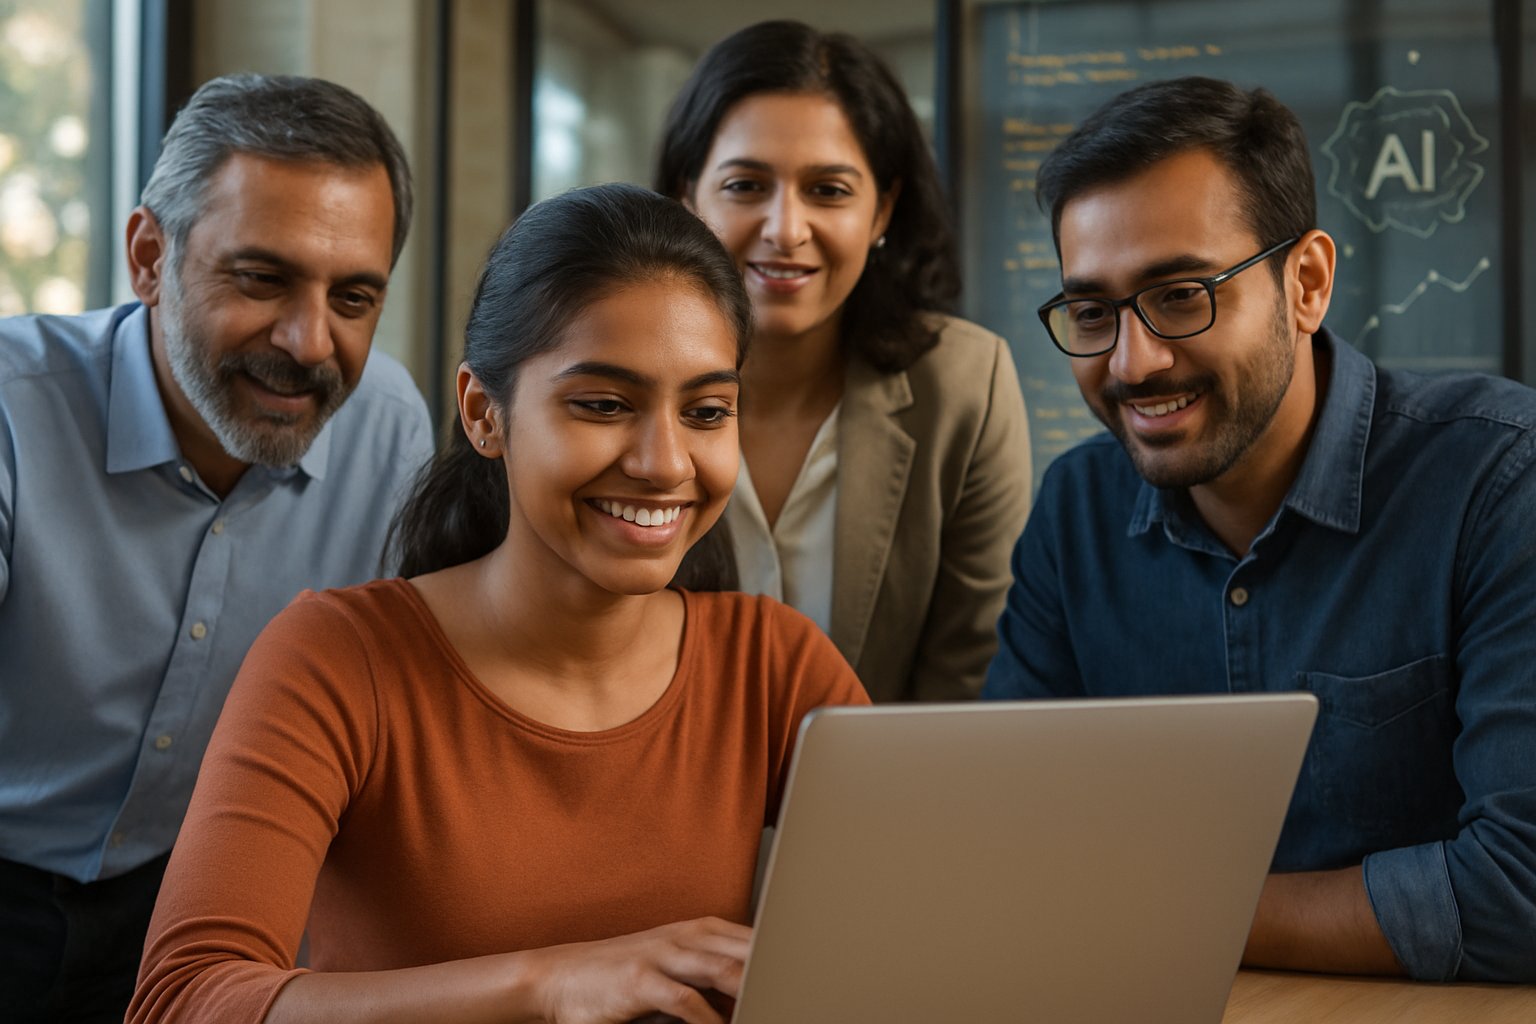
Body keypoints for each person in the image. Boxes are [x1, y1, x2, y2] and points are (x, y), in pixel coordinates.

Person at [128, 183, 869, 1024]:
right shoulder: (335, 661)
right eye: (603, 405)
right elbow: (185, 1000)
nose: (666, 463)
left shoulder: (774, 666)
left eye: (706, 411)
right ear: (485, 413)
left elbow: (926, 928)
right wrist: (548, 986)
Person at [983, 76, 1536, 983]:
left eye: (1181, 295)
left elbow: (1521, 890)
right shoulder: (1075, 511)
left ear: (1307, 282)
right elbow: (1008, 833)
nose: (1134, 361)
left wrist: (1164, 911)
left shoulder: (1497, 480)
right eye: (1092, 312)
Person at [0, 74, 433, 1022]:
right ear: (149, 257)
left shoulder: (391, 428)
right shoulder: (9, 413)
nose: (308, 341)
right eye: (262, 278)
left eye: (353, 297)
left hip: (208, 900)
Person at [655, 20, 1032, 701]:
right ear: (689, 195)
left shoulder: (965, 388)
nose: (785, 229)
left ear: (883, 209)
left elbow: (966, 685)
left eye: (828, 190)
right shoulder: (601, 379)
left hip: (892, 799)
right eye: (746, 186)